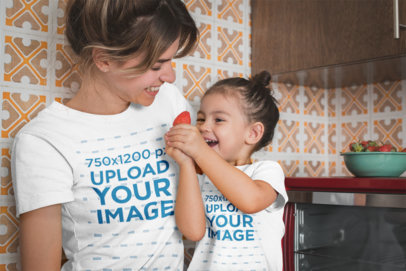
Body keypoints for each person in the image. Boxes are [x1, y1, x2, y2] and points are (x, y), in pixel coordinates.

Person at [11, 0, 198, 270]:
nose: (169, 77)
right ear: (104, 59)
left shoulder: (169, 103)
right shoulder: (44, 141)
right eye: (157, 66)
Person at [165, 71, 288, 271]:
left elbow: (251, 200)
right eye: (201, 119)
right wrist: (187, 164)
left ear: (252, 133)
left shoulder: (267, 170)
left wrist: (200, 152)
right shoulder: (203, 176)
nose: (204, 127)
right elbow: (193, 231)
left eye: (218, 120)